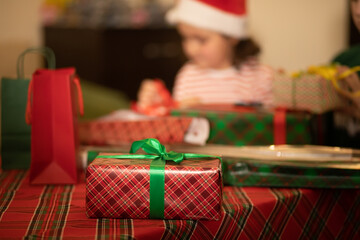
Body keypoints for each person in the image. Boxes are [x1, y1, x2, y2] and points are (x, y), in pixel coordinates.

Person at [137, 0, 274, 112]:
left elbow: (271, 125)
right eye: (185, 38)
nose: (191, 49)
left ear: (232, 37)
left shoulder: (260, 76)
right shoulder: (188, 76)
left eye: (201, 40)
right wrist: (163, 106)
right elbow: (176, 123)